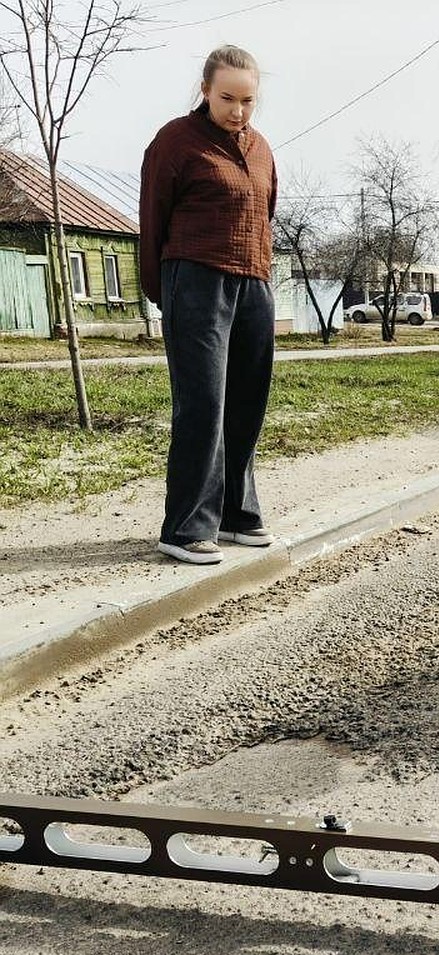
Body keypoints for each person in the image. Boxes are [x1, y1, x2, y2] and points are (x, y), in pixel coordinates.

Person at [140, 45, 278, 566]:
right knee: (203, 404)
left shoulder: (261, 148)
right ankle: (185, 527)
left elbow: (264, 213)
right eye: (227, 98)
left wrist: (259, 275)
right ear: (205, 90)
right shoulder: (175, 141)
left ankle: (236, 514)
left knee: (247, 402)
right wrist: (162, 293)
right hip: (195, 281)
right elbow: (152, 221)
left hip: (253, 283)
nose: (237, 111)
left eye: (247, 101)